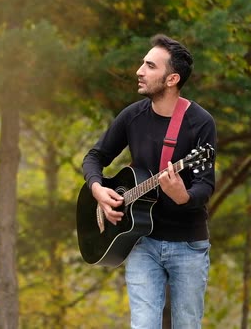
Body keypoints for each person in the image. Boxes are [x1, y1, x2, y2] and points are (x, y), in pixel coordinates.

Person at [82, 34, 217, 328]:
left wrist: (182, 196)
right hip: (141, 241)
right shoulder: (133, 116)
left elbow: (204, 186)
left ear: (172, 79)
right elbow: (95, 157)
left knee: (187, 325)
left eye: (150, 66)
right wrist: (98, 191)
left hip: (188, 245)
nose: (139, 71)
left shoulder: (200, 123)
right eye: (143, 63)